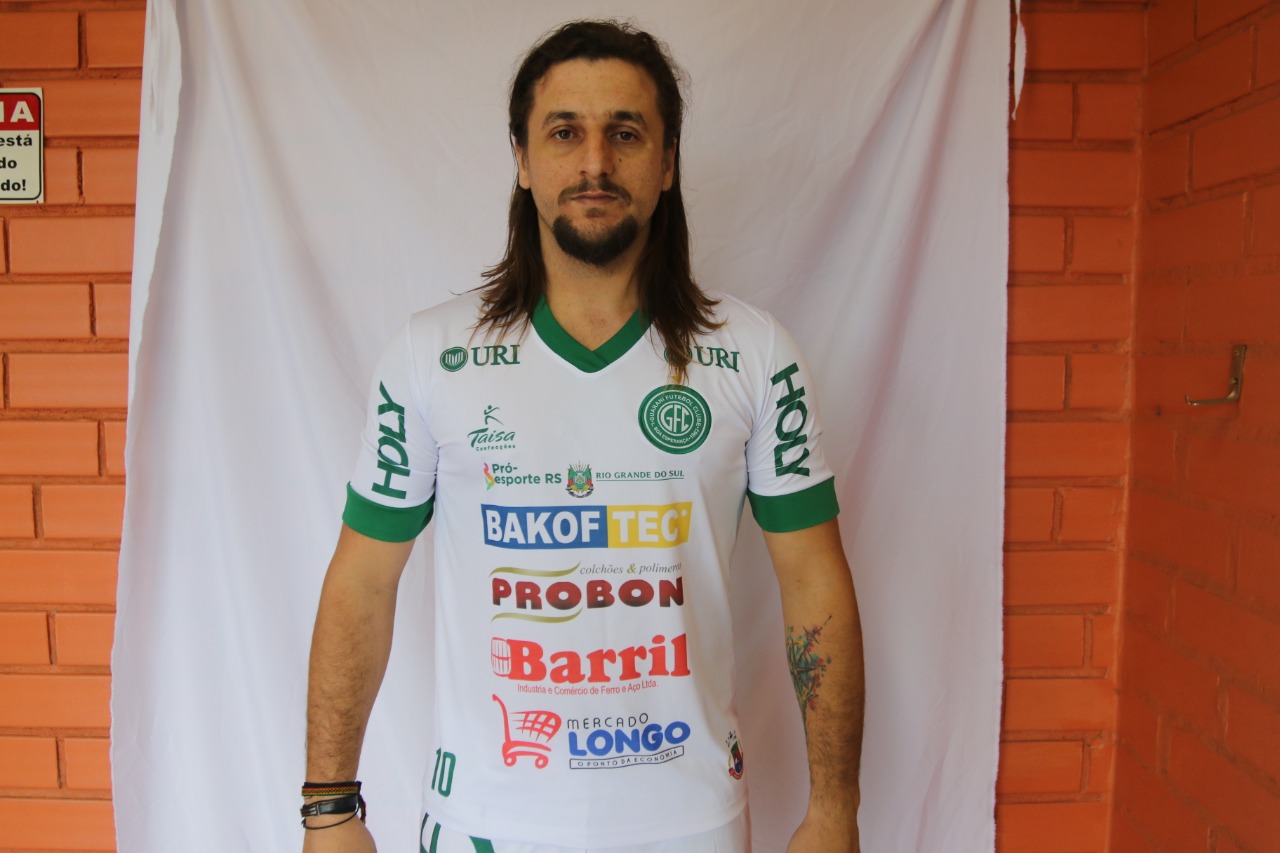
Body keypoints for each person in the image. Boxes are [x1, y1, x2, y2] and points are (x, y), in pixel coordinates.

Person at [302, 19, 863, 853]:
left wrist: (834, 809)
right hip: (483, 825)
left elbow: (814, 579)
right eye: (565, 132)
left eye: (625, 133)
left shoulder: (753, 355)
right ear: (523, 159)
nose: (594, 162)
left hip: (691, 824)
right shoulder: (430, 355)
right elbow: (362, 582)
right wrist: (329, 806)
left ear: (667, 162)